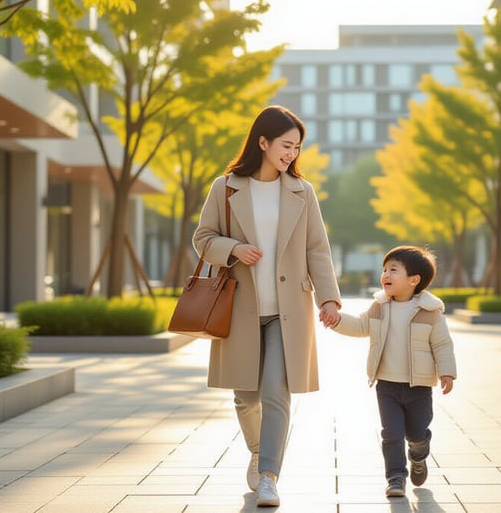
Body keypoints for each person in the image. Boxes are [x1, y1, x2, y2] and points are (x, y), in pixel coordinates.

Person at [192, 105, 341, 508]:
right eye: (286, 145)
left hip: (288, 309)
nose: (292, 153)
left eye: (297, 147)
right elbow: (203, 238)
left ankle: (269, 476)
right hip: (239, 308)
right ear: (263, 142)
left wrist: (329, 298)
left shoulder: (301, 192)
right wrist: (234, 248)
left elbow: (317, 250)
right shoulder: (225, 188)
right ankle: (259, 452)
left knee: (277, 390)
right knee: (246, 396)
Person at [322, 246, 457, 499]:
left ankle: (419, 453)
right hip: (387, 385)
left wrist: (447, 372)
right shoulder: (380, 307)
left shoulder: (431, 312)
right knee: (391, 433)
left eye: (393, 270)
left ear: (413, 280)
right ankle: (396, 478)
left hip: (419, 386)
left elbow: (442, 344)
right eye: (384, 269)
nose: (385, 274)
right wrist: (337, 320)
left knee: (417, 432)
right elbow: (360, 325)